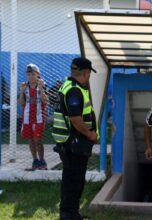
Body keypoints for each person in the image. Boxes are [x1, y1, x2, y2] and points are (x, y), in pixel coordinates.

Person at [51, 57, 98, 220]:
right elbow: (76, 119)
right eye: (89, 73)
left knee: (71, 178)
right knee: (74, 180)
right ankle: (68, 214)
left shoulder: (68, 86)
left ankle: (71, 212)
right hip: (73, 143)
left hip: (69, 142)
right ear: (85, 73)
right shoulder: (74, 90)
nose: (89, 76)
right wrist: (90, 134)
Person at [19, 64, 48, 170]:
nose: (31, 76)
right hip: (27, 118)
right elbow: (21, 103)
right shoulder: (24, 87)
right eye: (28, 74)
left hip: (39, 117)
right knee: (31, 140)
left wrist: (41, 89)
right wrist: (21, 91)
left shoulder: (42, 85)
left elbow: (45, 101)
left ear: (38, 75)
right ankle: (35, 161)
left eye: (33, 74)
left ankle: (42, 160)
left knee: (38, 140)